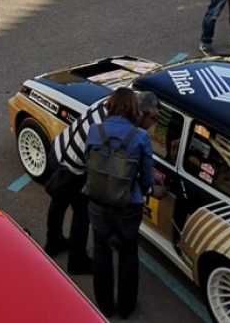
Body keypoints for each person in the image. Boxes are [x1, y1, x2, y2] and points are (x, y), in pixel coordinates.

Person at [85, 88, 162, 320]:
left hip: (97, 201)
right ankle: (126, 306)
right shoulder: (139, 137)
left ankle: (104, 305)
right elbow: (146, 178)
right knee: (128, 253)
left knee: (101, 252)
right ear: (134, 109)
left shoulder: (94, 131)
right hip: (128, 205)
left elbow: (90, 161)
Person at [45, 94, 109, 273]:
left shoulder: (104, 103)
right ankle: (77, 261)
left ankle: (53, 242)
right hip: (72, 168)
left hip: (59, 149)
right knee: (82, 214)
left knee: (58, 202)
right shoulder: (106, 128)